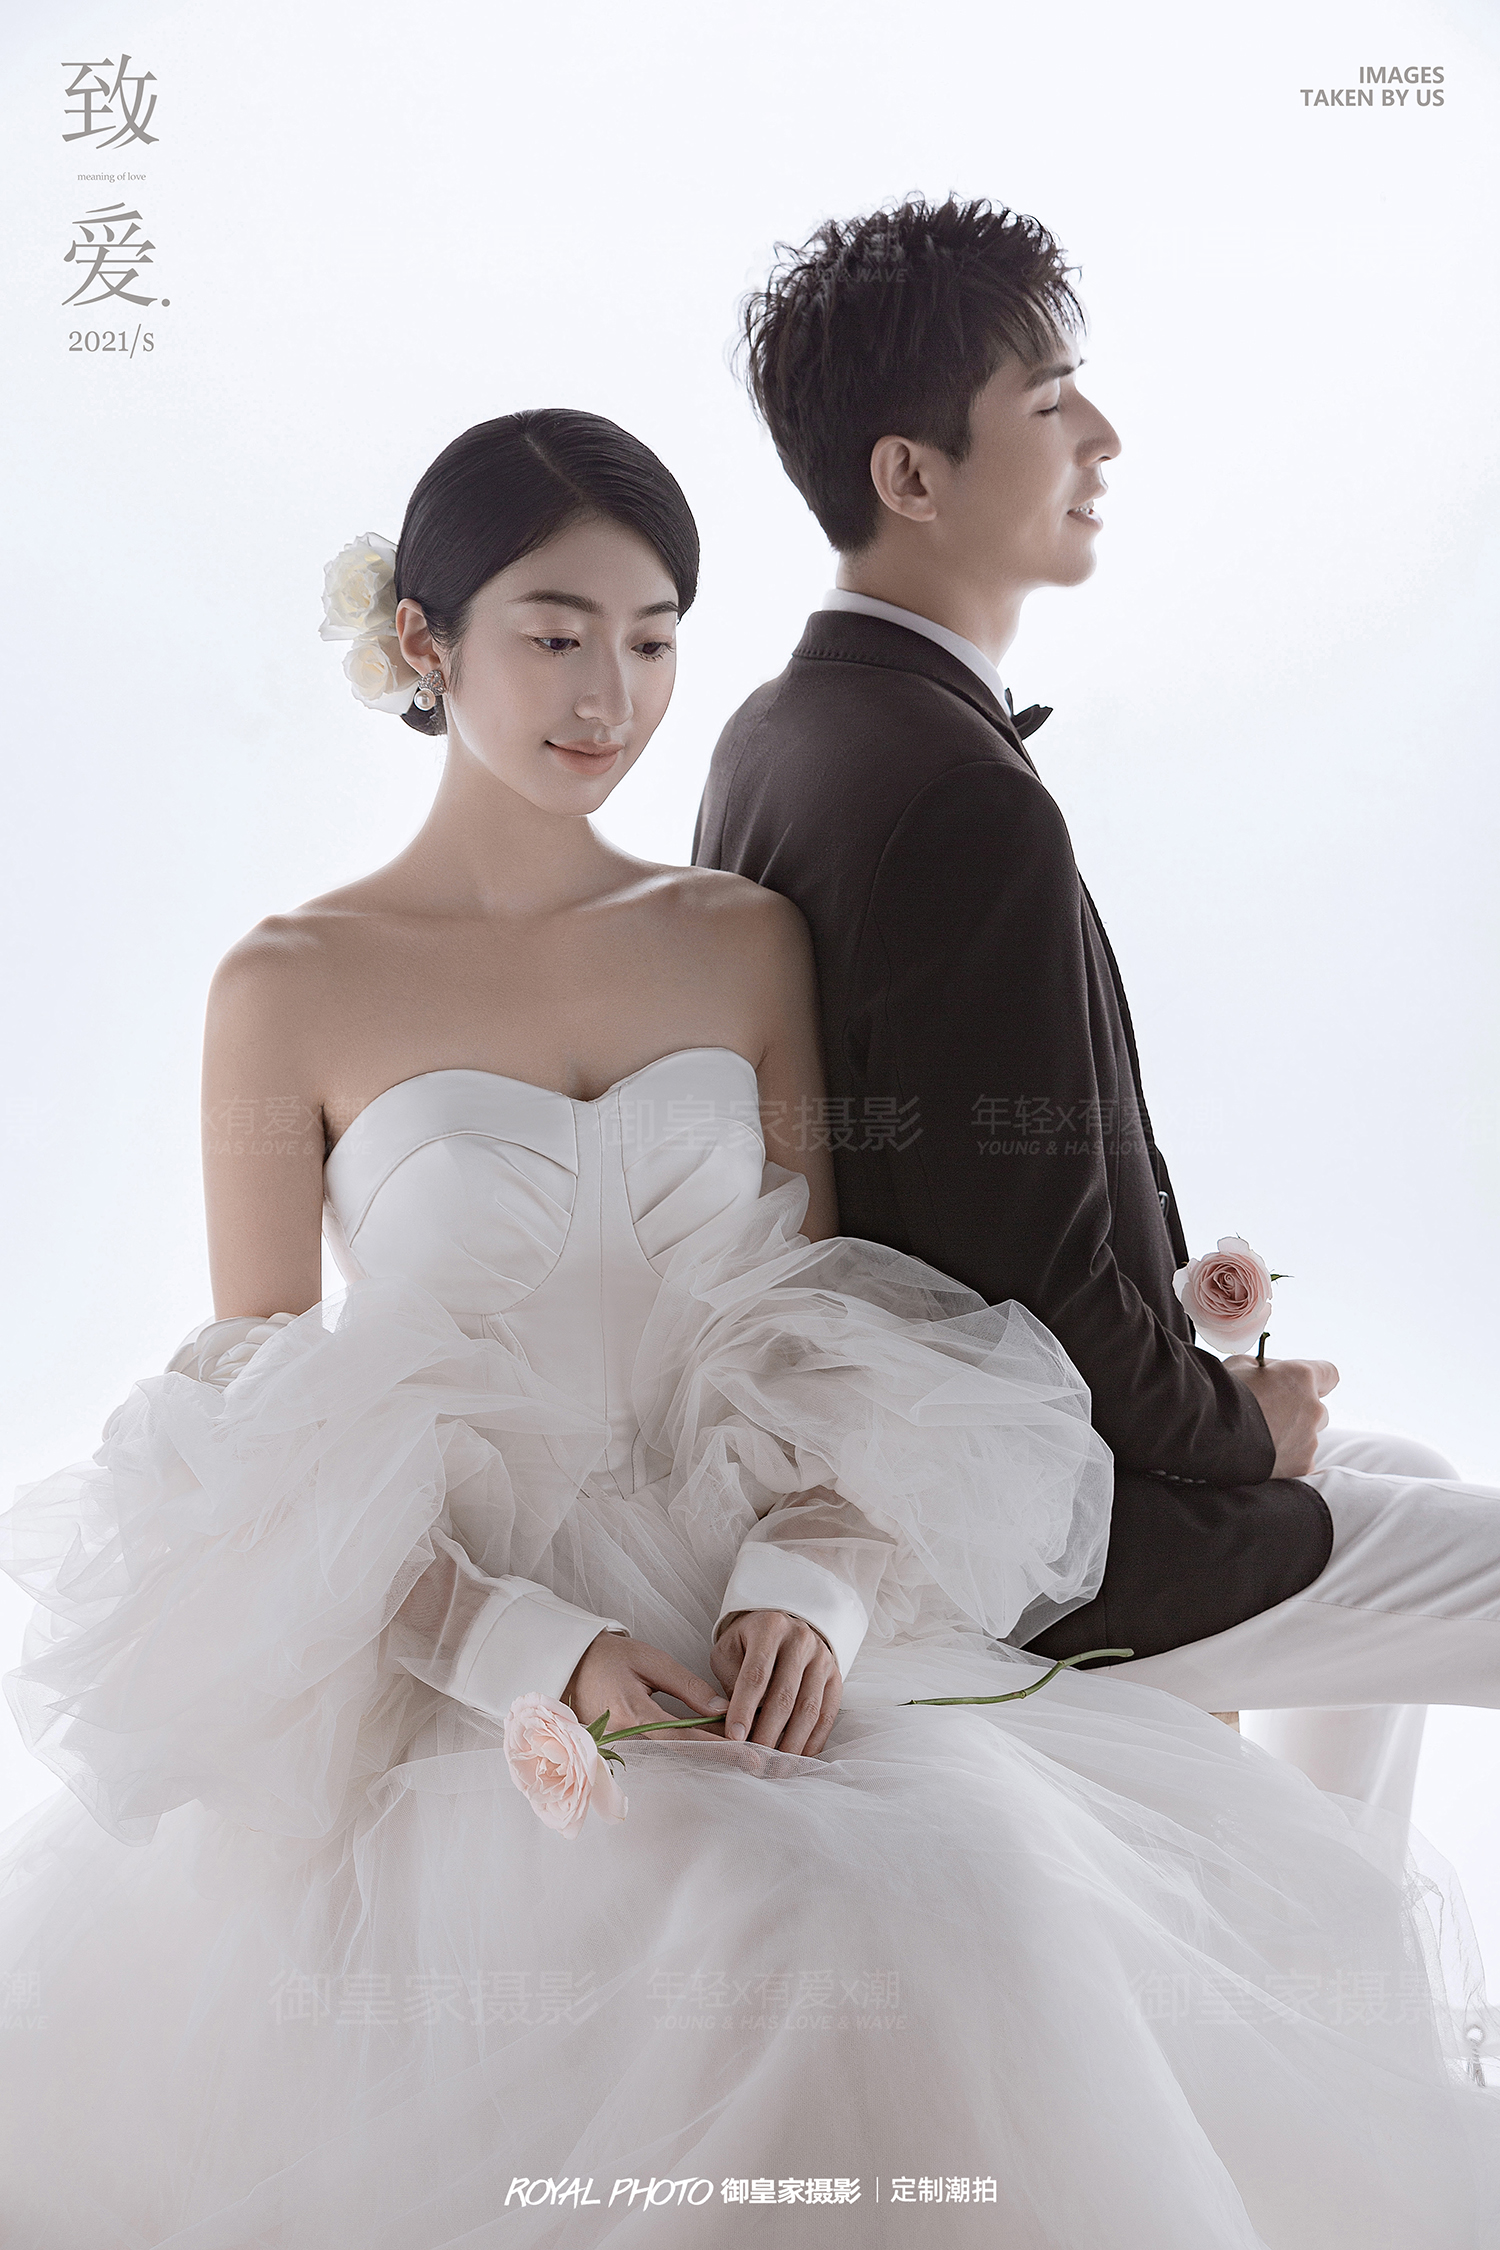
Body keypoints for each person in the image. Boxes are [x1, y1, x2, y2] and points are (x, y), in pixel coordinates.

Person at [0, 409, 1495, 2250]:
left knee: (969, 1879)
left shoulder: (732, 938)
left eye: (652, 639)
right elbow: (258, 1439)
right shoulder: (287, 984)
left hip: (758, 1622)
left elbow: (837, 1320)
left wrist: (817, 1580)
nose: (609, 694)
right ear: (422, 640)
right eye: (556, 632)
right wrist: (534, 1651)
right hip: (474, 1658)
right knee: (790, 1920)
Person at [691, 195, 1500, 1828]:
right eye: (1053, 401)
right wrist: (1239, 1427)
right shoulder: (960, 795)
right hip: (1048, 1542)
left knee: (1409, 1476)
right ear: (910, 474)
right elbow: (1040, 1283)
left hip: (964, 1467)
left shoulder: (776, 730)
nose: (1103, 438)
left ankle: (1335, 1959)